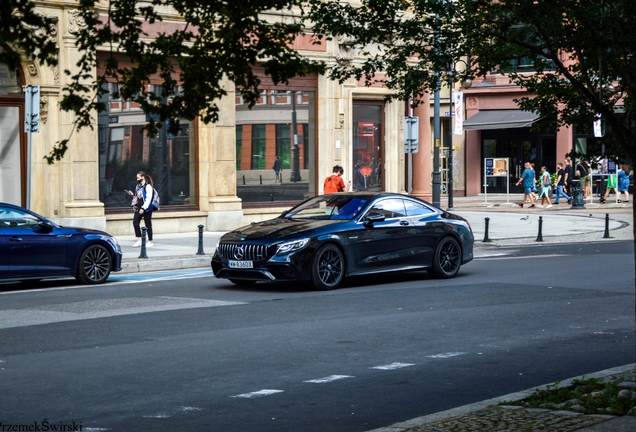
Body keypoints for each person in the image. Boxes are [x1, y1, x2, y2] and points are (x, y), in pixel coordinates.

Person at [127, 171, 155, 247]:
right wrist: (132, 195)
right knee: (135, 223)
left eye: (138, 177)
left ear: (143, 177)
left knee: (148, 224)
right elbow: (137, 197)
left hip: (146, 208)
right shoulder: (138, 186)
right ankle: (139, 239)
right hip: (138, 207)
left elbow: (148, 199)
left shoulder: (148, 186)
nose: (137, 179)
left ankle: (150, 241)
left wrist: (143, 208)